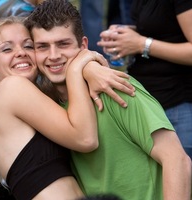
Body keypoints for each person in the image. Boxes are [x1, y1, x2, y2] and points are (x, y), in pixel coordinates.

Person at [25, 0, 191, 199]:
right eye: (42, 46)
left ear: (83, 45)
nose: (53, 55)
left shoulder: (114, 88)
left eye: (63, 44)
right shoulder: (46, 105)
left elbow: (178, 161)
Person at [0, 16, 136, 200]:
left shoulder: (34, 99)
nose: (20, 52)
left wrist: (87, 69)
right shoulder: (11, 88)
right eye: (7, 49)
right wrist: (76, 68)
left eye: (28, 46)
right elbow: (86, 139)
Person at [97, 0, 192, 158]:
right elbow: (167, 28)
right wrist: (127, 35)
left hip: (177, 106)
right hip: (152, 105)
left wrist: (142, 44)